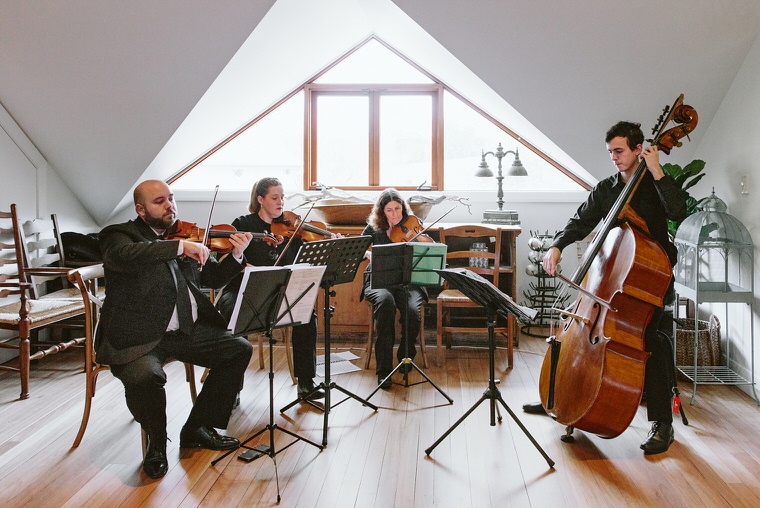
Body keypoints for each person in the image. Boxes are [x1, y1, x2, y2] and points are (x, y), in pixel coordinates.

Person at [522, 121, 687, 455]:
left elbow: (678, 211)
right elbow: (580, 220)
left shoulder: (653, 183)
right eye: (610, 152)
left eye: (619, 151)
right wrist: (557, 246)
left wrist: (656, 170)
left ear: (639, 149)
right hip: (613, 279)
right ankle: (560, 396)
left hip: (647, 277)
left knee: (651, 340)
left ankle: (662, 424)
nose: (614, 157)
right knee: (577, 327)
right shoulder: (606, 189)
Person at [97, 180, 254, 479]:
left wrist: (235, 256)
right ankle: (156, 442)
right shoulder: (118, 236)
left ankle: (198, 427)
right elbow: (125, 256)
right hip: (139, 336)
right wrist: (179, 247)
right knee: (146, 375)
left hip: (185, 330)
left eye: (171, 198)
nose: (170, 205)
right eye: (160, 201)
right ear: (141, 209)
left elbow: (212, 278)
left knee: (238, 349)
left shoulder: (185, 237)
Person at [215, 177, 327, 401]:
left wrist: (326, 242)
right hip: (244, 287)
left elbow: (303, 261)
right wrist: (249, 266)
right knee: (230, 312)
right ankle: (232, 388)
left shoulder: (291, 228)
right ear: (260, 199)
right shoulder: (244, 223)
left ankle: (306, 383)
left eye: (283, 197)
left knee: (306, 313)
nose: (281, 202)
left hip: (279, 289)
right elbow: (226, 260)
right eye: (275, 198)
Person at [361, 188, 433, 389]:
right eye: (389, 210)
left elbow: (430, 250)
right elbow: (360, 250)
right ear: (382, 212)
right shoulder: (373, 229)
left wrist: (423, 241)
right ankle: (384, 371)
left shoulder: (411, 226)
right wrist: (369, 255)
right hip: (379, 281)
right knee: (386, 303)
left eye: (398, 209)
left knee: (412, 311)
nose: (394, 214)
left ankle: (405, 357)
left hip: (408, 281)